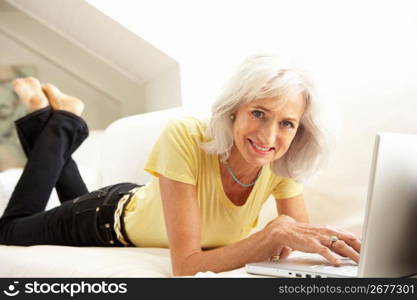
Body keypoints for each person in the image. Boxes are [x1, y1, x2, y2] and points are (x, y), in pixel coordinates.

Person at [0, 55, 361, 276]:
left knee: (65, 205)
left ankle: (47, 117)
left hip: (142, 212)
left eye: (287, 123)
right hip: (105, 218)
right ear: (234, 109)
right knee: (10, 231)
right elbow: (186, 267)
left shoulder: (280, 162)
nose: (269, 135)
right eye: (259, 113)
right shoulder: (186, 136)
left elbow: (296, 239)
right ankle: (63, 121)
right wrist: (270, 234)